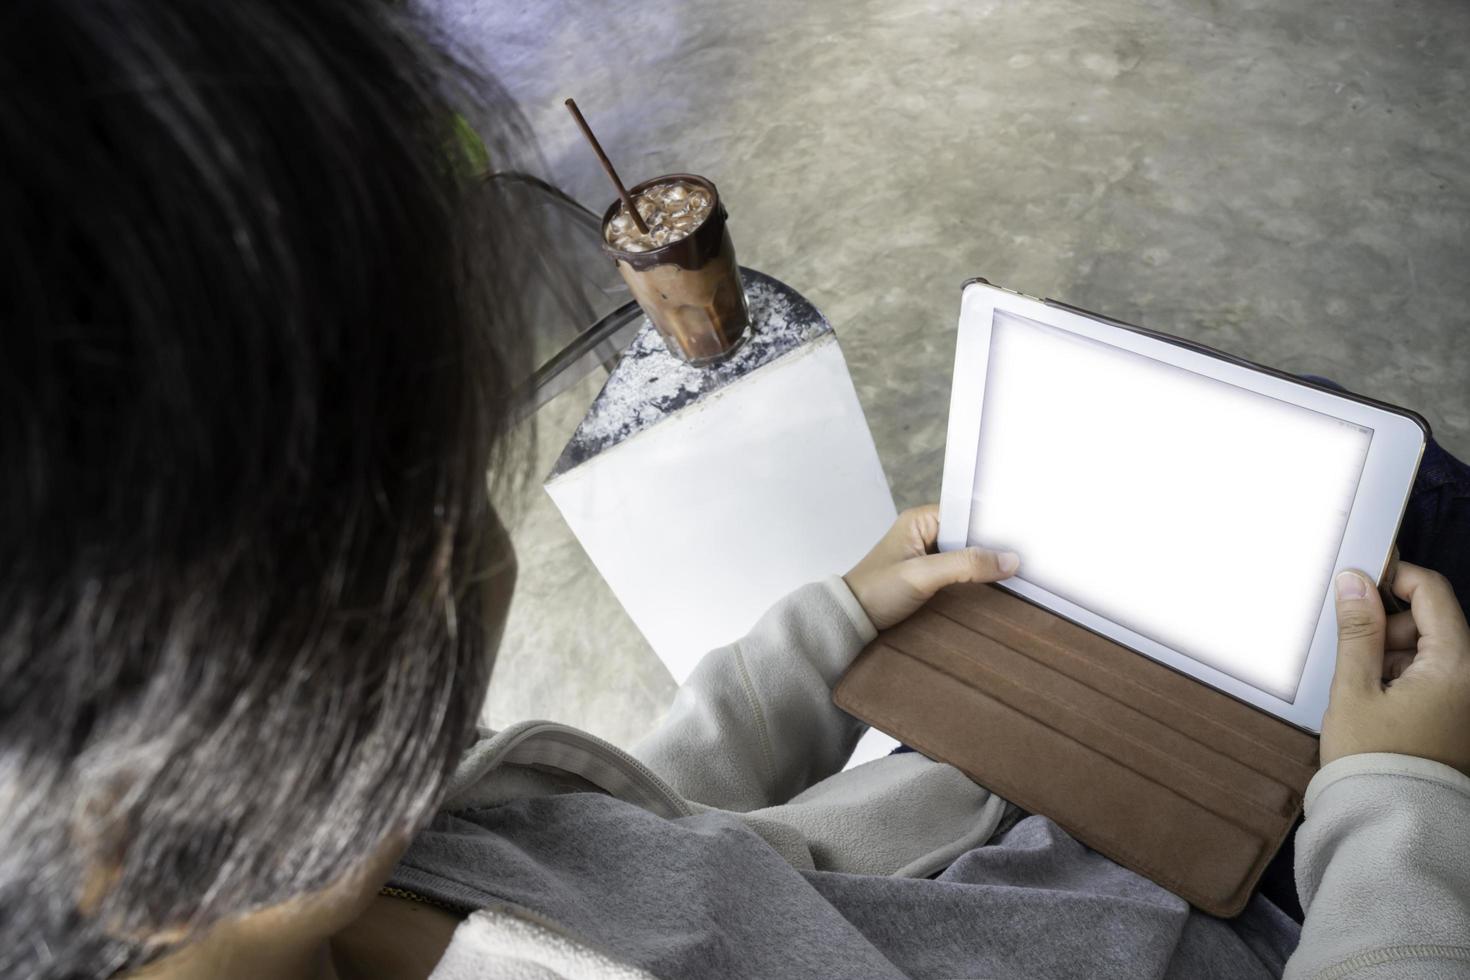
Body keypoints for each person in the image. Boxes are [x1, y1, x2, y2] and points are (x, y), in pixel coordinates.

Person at [4, 2, 1469, 979]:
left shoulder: (327, 852)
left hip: (983, 823)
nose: (479, 539)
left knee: (1311, 459)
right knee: (1415, 520)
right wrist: (1395, 810)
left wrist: (827, 630)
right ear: (167, 778)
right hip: (1240, 923)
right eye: (438, 494)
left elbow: (629, 828)